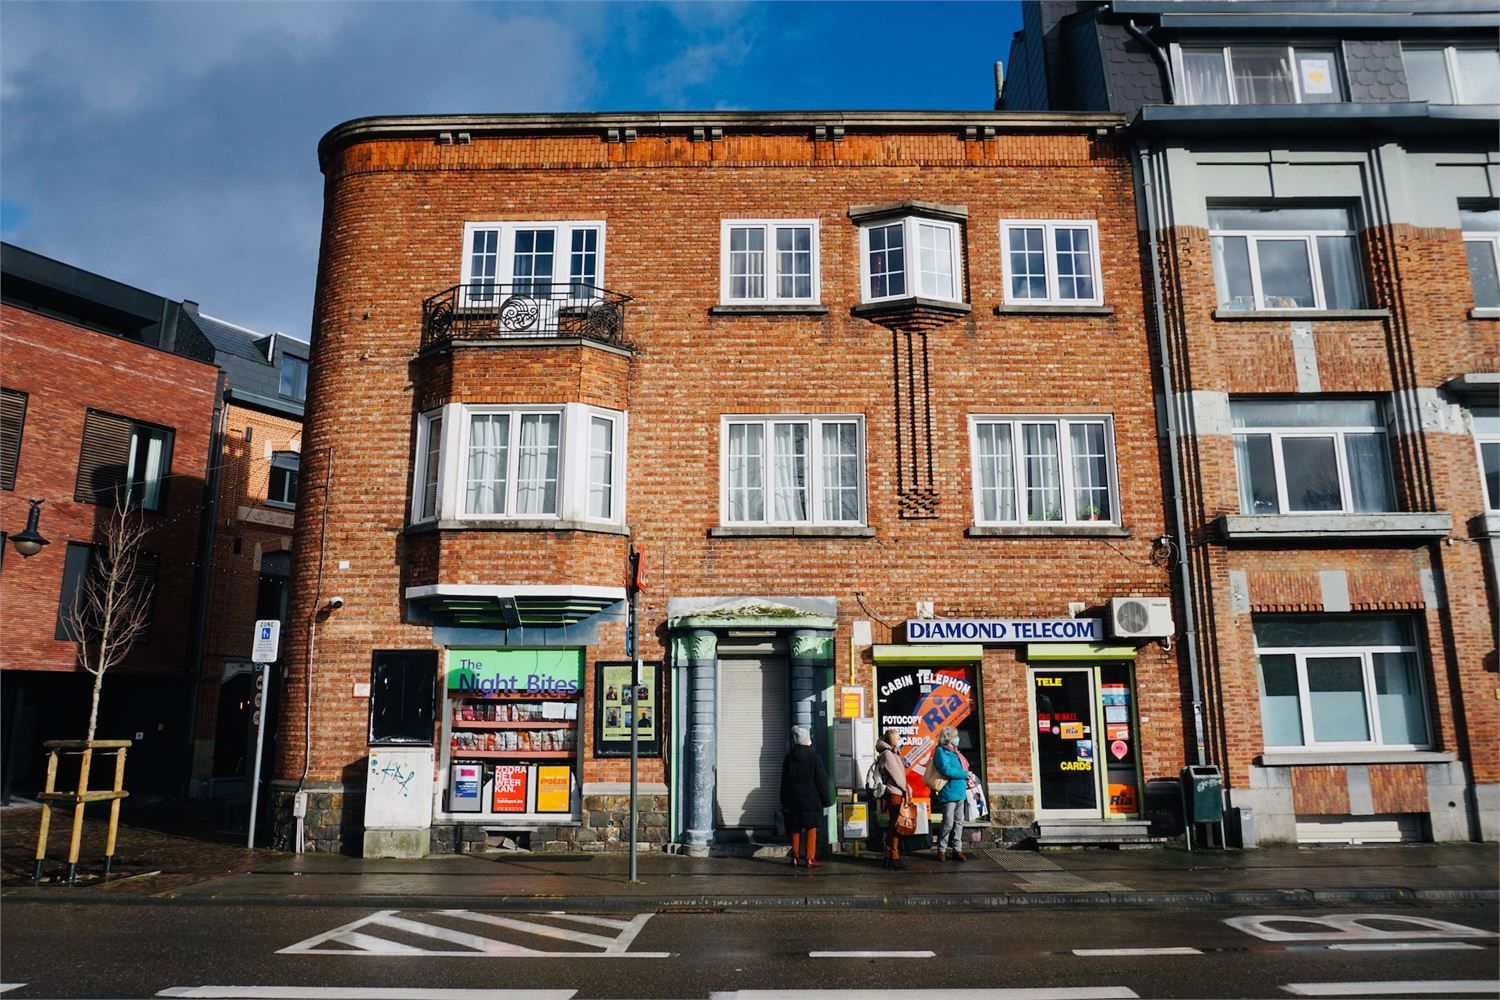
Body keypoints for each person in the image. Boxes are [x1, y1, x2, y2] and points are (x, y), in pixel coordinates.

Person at [779, 725, 831, 868]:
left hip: (793, 799)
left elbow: (784, 782)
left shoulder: (789, 758)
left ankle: (795, 857)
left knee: (795, 828)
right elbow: (821, 780)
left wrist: (784, 801)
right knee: (811, 828)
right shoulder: (814, 757)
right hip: (811, 799)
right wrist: (826, 800)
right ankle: (809, 858)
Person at [928, 726, 970, 862]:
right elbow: (946, 770)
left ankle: (957, 849)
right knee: (948, 822)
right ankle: (942, 849)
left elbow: (963, 766)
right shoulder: (941, 751)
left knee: (959, 822)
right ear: (948, 737)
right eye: (955, 736)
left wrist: (967, 776)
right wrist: (964, 774)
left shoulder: (956, 751)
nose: (957, 739)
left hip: (960, 790)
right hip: (949, 791)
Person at [875, 729, 911, 870]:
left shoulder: (891, 753)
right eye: (898, 737)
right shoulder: (888, 755)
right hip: (894, 793)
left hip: (895, 792)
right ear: (892, 740)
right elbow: (897, 777)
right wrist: (906, 790)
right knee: (896, 825)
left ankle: (890, 856)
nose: (900, 739)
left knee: (894, 824)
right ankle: (893, 856)